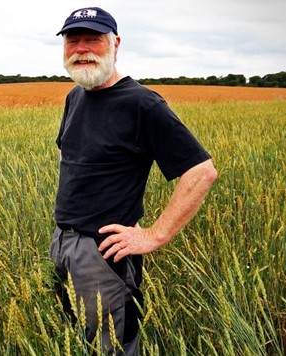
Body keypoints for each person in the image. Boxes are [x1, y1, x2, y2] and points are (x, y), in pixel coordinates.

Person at [49, 6, 218, 355]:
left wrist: (154, 235)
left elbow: (201, 171)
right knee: (73, 340)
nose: (82, 49)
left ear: (115, 44)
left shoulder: (143, 104)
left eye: (93, 40)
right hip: (63, 244)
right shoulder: (75, 96)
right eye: (73, 41)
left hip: (104, 255)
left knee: (113, 347)